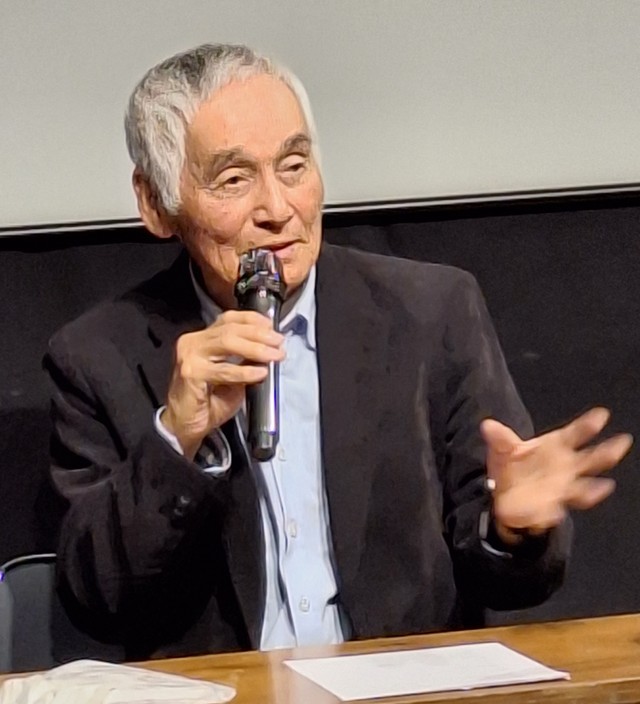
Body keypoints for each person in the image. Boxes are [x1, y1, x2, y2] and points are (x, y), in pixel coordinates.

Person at [45, 43, 632, 661]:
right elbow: (96, 600)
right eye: (234, 180)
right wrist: (176, 442)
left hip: (401, 692)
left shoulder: (431, 312)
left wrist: (511, 529)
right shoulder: (98, 357)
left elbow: (514, 579)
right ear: (155, 205)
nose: (278, 209)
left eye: (294, 166)